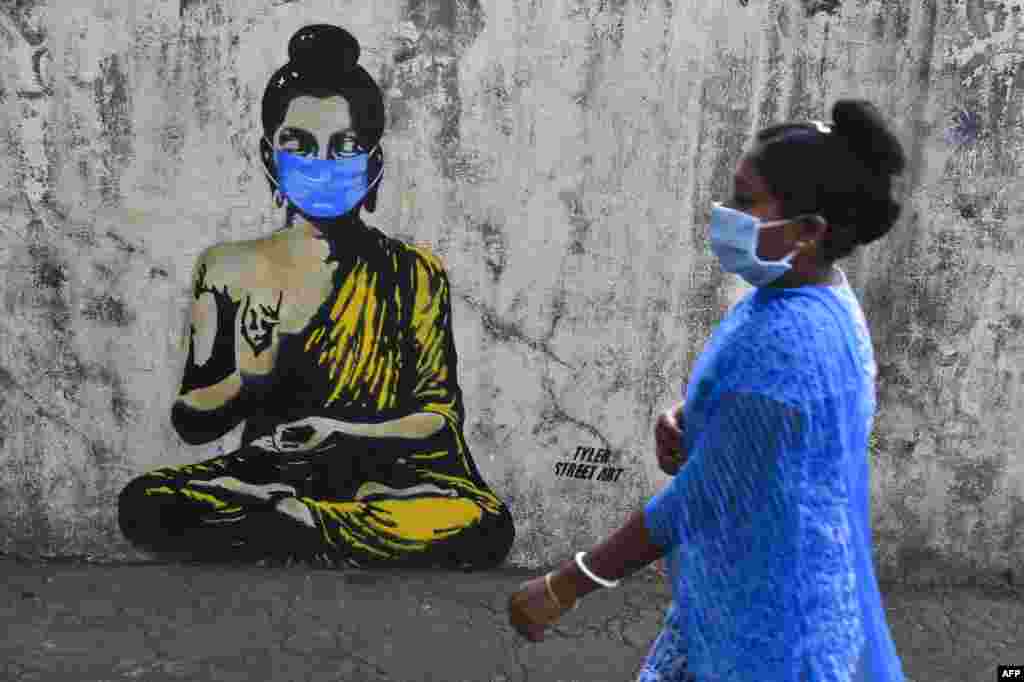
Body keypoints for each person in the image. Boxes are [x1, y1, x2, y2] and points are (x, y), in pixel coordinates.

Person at [508, 99, 909, 682]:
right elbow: (769, 424)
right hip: (757, 595)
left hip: (772, 633)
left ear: (808, 231)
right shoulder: (813, 301)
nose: (726, 213)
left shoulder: (789, 334)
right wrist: (692, 418)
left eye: (747, 201)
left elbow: (703, 495)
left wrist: (566, 583)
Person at [117, 24, 514, 570]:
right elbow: (192, 420)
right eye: (298, 145)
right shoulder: (228, 267)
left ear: (373, 165)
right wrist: (248, 380)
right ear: (268, 157)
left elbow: (439, 421)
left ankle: (300, 521)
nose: (322, 165)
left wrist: (343, 436)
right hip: (273, 470)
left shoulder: (414, 273)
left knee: (482, 524)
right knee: (146, 502)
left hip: (388, 478)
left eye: (344, 147)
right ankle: (300, 517)